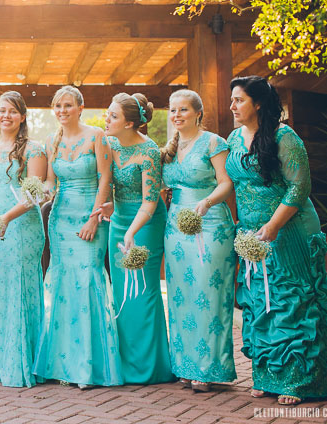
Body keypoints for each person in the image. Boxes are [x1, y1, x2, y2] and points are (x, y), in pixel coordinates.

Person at [227, 76, 327, 405]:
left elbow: (299, 187)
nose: (232, 106)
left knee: (291, 301)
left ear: (258, 103)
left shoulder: (285, 136)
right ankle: (268, 375)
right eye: (232, 100)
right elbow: (234, 184)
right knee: (259, 301)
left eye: (239, 100)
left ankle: (300, 380)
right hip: (251, 234)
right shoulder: (234, 138)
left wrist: (274, 225)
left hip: (289, 229)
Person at [33, 86, 122, 388]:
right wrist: (35, 193)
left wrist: (94, 218)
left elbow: (106, 178)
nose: (62, 111)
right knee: (63, 285)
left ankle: (87, 366)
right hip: (60, 220)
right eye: (58, 106)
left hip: (89, 215)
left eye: (68, 105)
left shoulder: (97, 136)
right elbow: (51, 182)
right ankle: (62, 364)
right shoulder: (51, 141)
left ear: (80, 108)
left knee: (88, 282)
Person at [161, 89, 236, 392]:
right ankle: (185, 365)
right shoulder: (169, 150)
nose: (177, 115)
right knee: (181, 295)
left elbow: (226, 182)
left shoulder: (214, 142)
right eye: (173, 110)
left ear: (198, 113)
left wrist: (206, 203)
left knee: (209, 293)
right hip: (175, 228)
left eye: (183, 110)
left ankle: (208, 367)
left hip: (210, 224)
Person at [0, 91, 47, 388]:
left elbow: (34, 195)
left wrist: (5, 219)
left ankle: (23, 363)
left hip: (21, 226)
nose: (6, 116)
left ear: (22, 116)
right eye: (2, 110)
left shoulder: (34, 149)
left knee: (18, 287)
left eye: (13, 111)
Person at [103, 92, 174, 384]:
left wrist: (132, 231)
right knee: (122, 291)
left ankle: (150, 367)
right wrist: (108, 206)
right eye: (108, 114)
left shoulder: (149, 152)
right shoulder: (109, 144)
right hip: (118, 220)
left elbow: (150, 201)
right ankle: (125, 363)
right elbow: (107, 185)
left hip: (145, 223)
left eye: (113, 116)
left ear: (130, 123)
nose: (107, 120)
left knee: (142, 291)